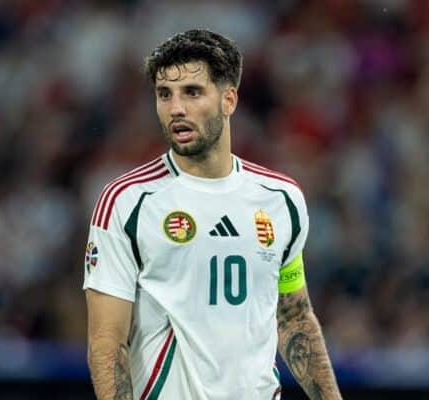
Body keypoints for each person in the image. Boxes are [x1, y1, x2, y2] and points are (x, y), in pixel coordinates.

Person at [83, 29, 342, 400]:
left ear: (229, 100)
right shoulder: (128, 201)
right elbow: (107, 343)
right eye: (164, 94)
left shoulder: (281, 199)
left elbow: (293, 317)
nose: (176, 109)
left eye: (192, 92)